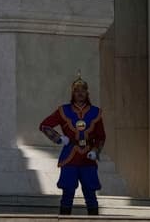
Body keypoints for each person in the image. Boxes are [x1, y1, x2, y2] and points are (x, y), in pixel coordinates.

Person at [39, 73, 105, 216]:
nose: (80, 93)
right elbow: (44, 125)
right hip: (70, 156)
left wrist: (95, 151)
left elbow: (101, 137)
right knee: (67, 193)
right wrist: (59, 139)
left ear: (87, 92)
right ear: (72, 93)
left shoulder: (95, 112)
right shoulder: (64, 110)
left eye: (83, 90)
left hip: (88, 158)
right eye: (77, 90)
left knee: (91, 193)